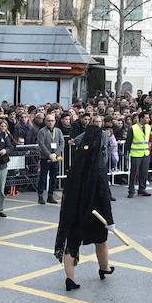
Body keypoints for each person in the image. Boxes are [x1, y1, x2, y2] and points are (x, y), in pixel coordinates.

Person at [54, 125, 116, 292]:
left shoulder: (77, 163)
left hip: (75, 213)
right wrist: (109, 221)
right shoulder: (98, 167)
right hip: (95, 215)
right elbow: (104, 196)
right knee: (101, 242)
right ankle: (104, 268)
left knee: (71, 246)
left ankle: (70, 279)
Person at [36, 114, 64, 205]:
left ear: (55, 121)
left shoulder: (58, 131)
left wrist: (55, 154)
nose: (50, 122)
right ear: (45, 121)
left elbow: (62, 143)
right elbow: (41, 144)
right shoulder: (42, 131)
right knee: (43, 177)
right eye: (49, 120)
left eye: (52, 120)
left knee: (53, 177)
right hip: (45, 158)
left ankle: (50, 196)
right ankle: (40, 196)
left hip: (55, 158)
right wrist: (49, 155)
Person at [126, 111, 152, 198]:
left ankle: (142, 189)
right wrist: (127, 152)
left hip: (145, 152)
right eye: (146, 118)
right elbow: (128, 141)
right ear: (141, 118)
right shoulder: (133, 128)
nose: (148, 119)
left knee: (144, 172)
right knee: (133, 173)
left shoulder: (148, 127)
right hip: (135, 153)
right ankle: (131, 190)